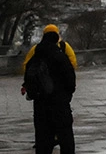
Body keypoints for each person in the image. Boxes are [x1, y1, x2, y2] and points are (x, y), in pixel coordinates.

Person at [23, 26, 77, 154]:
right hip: (60, 104)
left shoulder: (35, 54)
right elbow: (70, 79)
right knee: (66, 139)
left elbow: (27, 73)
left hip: (41, 105)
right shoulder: (61, 55)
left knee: (42, 140)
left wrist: (33, 93)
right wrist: (66, 96)